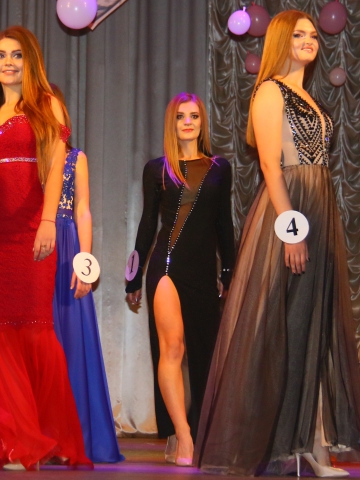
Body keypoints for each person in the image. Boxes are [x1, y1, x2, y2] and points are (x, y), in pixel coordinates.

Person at [195, 10, 360, 477]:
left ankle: (309, 444)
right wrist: (292, 228)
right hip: (290, 209)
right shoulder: (270, 91)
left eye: (313, 35)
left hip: (319, 206)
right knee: (280, 327)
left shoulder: (308, 96)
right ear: (281, 41)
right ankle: (271, 444)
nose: (309, 40)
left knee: (310, 327)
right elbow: (271, 165)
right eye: (298, 35)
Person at [0, 26, 90, 470]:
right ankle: (17, 440)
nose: (8, 62)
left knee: (36, 332)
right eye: (0, 55)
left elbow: (55, 168)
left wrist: (48, 220)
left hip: (30, 229)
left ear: (30, 60)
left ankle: (53, 436)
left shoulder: (46, 105)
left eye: (16, 55)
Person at [0, 85, 123, 463]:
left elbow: (83, 209)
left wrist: (84, 262)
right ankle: (22, 435)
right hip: (24, 246)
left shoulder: (74, 158)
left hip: (65, 245)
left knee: (63, 341)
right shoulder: (20, 154)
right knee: (20, 338)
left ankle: (66, 437)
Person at [125, 92, 235, 466]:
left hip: (203, 271)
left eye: (194, 116)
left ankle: (193, 431)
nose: (188, 122)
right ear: (171, 123)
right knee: (172, 348)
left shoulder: (219, 168)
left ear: (202, 123)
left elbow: (224, 224)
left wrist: (228, 271)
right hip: (166, 267)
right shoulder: (157, 169)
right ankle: (183, 435)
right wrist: (133, 276)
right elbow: (146, 224)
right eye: (180, 117)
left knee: (204, 355)